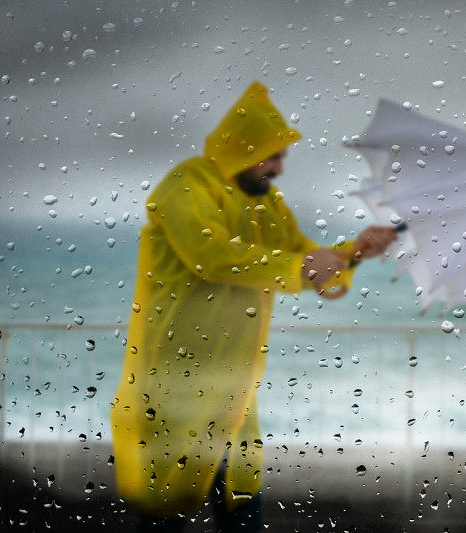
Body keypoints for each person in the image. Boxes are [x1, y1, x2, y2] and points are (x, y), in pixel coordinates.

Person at [109, 80, 396, 532]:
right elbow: (213, 255)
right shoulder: (186, 186)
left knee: (241, 502)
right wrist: (304, 266)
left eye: (282, 156)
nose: (280, 168)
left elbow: (302, 258)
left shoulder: (269, 205)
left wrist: (356, 251)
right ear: (242, 149)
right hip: (172, 381)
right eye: (272, 155)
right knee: (162, 502)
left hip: (234, 387)